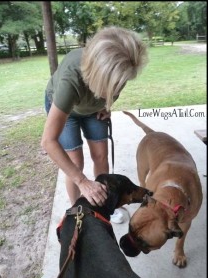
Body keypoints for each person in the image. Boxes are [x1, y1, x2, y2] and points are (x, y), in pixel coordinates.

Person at [41, 26, 148, 223]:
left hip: (92, 108)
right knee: (76, 164)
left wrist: (108, 105)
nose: (117, 89)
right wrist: (83, 182)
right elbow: (48, 141)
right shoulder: (71, 79)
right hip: (67, 111)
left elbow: (115, 85)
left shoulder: (116, 71)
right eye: (113, 84)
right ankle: (77, 210)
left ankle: (105, 204)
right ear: (98, 74)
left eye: (121, 83)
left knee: (100, 156)